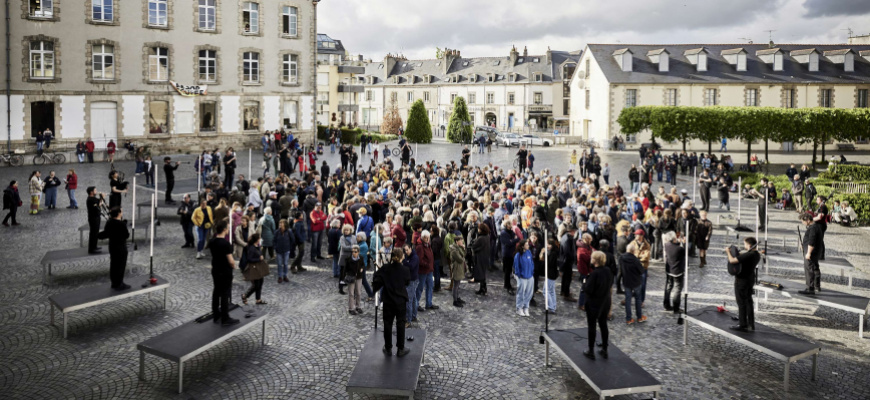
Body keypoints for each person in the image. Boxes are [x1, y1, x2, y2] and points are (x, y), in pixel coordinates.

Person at [371, 248, 411, 357]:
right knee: (400, 323)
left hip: (388, 300)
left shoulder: (385, 268)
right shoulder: (405, 270)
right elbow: (407, 282)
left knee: (387, 324)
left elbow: (376, 278)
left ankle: (388, 348)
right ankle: (400, 348)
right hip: (400, 301)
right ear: (401, 257)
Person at [725, 237, 761, 332]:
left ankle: (742, 324)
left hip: (742, 281)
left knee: (741, 302)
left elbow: (732, 261)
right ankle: (750, 323)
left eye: (745, 244)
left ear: (749, 245)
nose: (744, 246)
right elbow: (742, 257)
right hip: (750, 280)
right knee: (749, 301)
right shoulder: (756, 254)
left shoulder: (749, 255)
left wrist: (728, 252)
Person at [583, 251, 613, 360]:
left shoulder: (594, 274)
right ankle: (604, 349)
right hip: (605, 302)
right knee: (603, 324)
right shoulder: (608, 271)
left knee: (592, 326)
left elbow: (588, 290)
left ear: (595, 260)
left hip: (594, 304)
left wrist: (585, 282)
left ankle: (590, 350)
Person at [210, 220, 239, 326]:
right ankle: (225, 318)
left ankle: (216, 314)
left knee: (216, 292)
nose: (228, 229)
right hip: (225, 271)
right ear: (224, 230)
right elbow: (231, 261)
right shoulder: (226, 244)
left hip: (216, 270)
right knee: (225, 293)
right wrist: (234, 266)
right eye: (227, 228)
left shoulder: (212, 241)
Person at [98, 207, 130, 290]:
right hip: (121, 247)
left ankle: (114, 283)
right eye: (121, 212)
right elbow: (126, 235)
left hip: (112, 246)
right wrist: (124, 224)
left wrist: (97, 235)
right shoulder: (121, 224)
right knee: (120, 266)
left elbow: (106, 233)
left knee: (113, 265)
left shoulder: (109, 222)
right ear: (119, 214)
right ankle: (119, 283)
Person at [621, 243, 646, 324]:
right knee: (638, 299)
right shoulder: (635, 260)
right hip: (636, 282)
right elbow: (641, 271)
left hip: (626, 281)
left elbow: (620, 271)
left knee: (628, 300)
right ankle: (639, 317)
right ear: (633, 250)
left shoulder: (621, 258)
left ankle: (628, 318)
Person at [799, 213, 823, 295]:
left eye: (803, 221)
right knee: (815, 268)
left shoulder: (813, 228)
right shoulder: (816, 226)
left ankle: (810, 288)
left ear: (808, 220)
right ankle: (816, 285)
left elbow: (812, 241)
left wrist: (808, 253)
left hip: (812, 252)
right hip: (815, 252)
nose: (803, 223)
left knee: (809, 269)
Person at [242, 233, 267, 305]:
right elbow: (249, 259)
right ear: (257, 239)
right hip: (254, 268)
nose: (260, 239)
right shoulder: (252, 248)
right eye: (259, 238)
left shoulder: (257, 246)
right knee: (256, 285)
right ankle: (245, 295)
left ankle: (258, 299)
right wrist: (258, 259)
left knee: (260, 282)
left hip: (258, 267)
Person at [662, 231, 685, 314]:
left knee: (668, 287)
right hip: (677, 271)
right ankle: (676, 308)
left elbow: (674, 245)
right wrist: (683, 243)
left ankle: (666, 304)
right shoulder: (679, 249)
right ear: (674, 238)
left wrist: (679, 242)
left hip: (669, 270)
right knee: (677, 289)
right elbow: (684, 252)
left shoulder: (667, 245)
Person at [415, 230, 438, 310]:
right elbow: (419, 260)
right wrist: (427, 264)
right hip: (423, 271)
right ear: (422, 237)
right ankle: (416, 304)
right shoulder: (420, 247)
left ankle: (429, 303)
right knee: (420, 288)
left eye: (428, 237)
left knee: (430, 286)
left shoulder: (428, 245)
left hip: (429, 270)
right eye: (425, 237)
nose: (427, 239)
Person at [514, 239, 535, 316]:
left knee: (529, 294)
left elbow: (532, 263)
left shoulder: (529, 252)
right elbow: (516, 267)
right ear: (523, 246)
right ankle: (519, 308)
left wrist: (531, 272)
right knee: (521, 293)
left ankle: (526, 307)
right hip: (522, 277)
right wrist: (519, 275)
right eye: (526, 244)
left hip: (529, 276)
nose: (528, 246)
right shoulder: (518, 255)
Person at [471, 223, 491, 295]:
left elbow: (474, 246)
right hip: (485, 256)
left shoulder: (481, 238)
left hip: (480, 257)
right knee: (483, 273)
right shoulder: (487, 236)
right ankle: (483, 288)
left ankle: (482, 289)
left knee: (481, 273)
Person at [403, 243, 420, 325]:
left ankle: (408, 320)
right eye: (405, 250)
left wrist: (404, 261)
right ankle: (413, 315)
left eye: (407, 250)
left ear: (410, 248)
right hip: (410, 280)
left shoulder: (414, 257)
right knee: (413, 299)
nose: (406, 252)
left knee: (409, 301)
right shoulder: (409, 257)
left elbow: (411, 267)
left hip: (412, 280)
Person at [345, 244, 364, 315]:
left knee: (358, 292)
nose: (353, 253)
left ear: (358, 252)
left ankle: (358, 306)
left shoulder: (361, 258)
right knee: (351, 293)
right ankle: (351, 308)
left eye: (355, 252)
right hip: (351, 277)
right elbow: (345, 269)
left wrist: (362, 268)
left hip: (359, 277)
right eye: (352, 251)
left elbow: (363, 264)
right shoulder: (348, 259)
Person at [449, 236, 468, 308]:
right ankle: (455, 300)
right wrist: (463, 257)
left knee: (458, 284)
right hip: (456, 268)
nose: (462, 242)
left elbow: (464, 255)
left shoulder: (458, 248)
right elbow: (460, 259)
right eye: (461, 241)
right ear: (457, 241)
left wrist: (463, 248)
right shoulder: (454, 250)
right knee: (456, 285)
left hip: (460, 267)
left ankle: (457, 297)